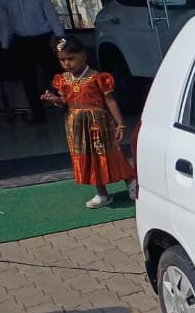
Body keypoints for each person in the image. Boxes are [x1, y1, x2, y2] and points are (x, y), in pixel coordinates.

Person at [41, 36, 136, 209]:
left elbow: (110, 101)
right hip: (76, 126)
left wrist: (120, 124)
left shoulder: (98, 78)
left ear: (84, 56)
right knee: (89, 159)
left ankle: (131, 182)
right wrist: (55, 99)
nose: (67, 63)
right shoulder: (63, 79)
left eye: (71, 58)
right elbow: (64, 101)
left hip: (98, 124)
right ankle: (102, 193)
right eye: (62, 60)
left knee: (110, 154)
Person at [0, 0, 65, 123]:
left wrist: (60, 36)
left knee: (55, 75)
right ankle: (38, 115)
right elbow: (5, 23)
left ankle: (67, 106)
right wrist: (4, 46)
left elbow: (51, 16)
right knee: (28, 80)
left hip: (43, 39)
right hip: (21, 41)